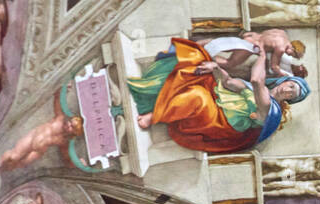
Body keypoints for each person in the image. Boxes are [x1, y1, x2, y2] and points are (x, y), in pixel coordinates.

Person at [127, 37, 310, 154]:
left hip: (220, 123)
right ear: (285, 82)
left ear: (290, 100)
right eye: (291, 86)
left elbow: (256, 80)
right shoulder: (250, 87)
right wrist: (215, 67)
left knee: (197, 96)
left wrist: (262, 56)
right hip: (217, 101)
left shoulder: (272, 110)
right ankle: (152, 92)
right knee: (197, 62)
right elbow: (229, 82)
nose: (288, 90)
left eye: (292, 94)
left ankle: (154, 117)